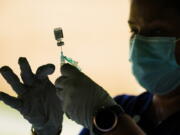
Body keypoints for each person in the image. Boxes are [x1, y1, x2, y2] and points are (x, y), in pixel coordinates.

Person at [0, 0, 180, 135]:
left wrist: (107, 119)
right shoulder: (125, 107)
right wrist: (46, 131)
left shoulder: (108, 114)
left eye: (158, 31)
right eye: (134, 30)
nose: (139, 44)